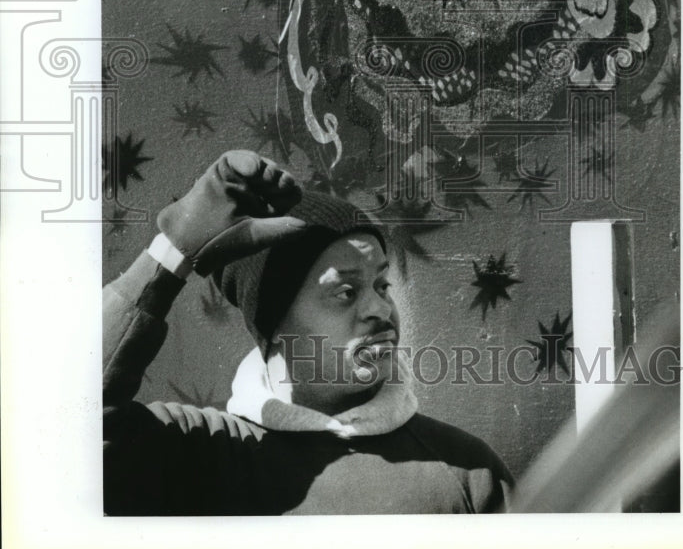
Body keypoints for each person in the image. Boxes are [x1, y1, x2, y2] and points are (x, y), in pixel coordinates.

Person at [103, 149, 513, 515]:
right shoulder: (193, 453)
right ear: (274, 323)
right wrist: (170, 254)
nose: (381, 309)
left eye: (382, 285)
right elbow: (65, 421)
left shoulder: (466, 470)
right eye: (346, 291)